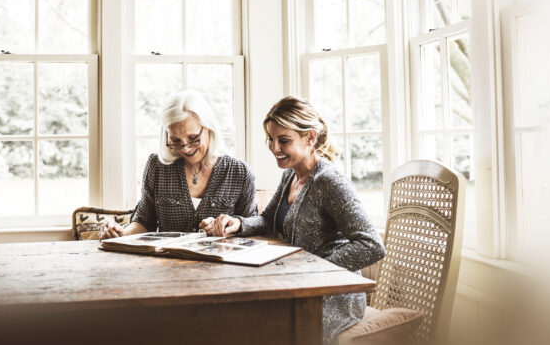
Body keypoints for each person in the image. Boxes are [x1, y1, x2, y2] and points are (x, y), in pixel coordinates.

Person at [201, 96, 385, 341]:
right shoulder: (292, 174)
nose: (274, 148)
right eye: (270, 138)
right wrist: (239, 224)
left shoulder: (329, 181)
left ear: (310, 137)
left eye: (283, 140)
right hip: (298, 288)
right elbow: (268, 220)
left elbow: (371, 245)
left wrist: (313, 268)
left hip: (331, 298)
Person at [101, 91, 257, 238]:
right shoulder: (157, 166)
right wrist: (121, 234)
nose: (186, 148)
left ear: (209, 128)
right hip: (168, 264)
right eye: (176, 141)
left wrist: (227, 227)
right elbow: (144, 221)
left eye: (193, 138)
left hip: (223, 264)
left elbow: (252, 227)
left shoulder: (240, 173)